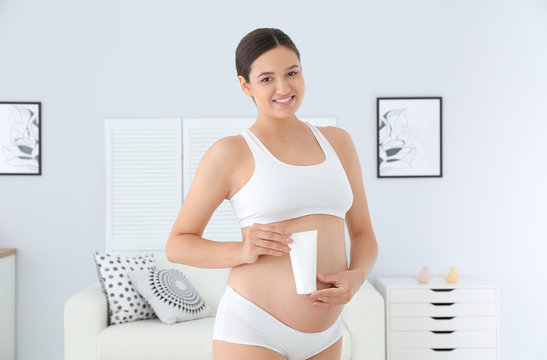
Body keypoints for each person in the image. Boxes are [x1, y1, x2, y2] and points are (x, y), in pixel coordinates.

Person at [166, 28, 378, 360]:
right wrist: (243, 249)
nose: (283, 88)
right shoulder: (231, 152)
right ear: (245, 85)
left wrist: (357, 276)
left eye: (292, 73)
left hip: (325, 335)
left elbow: (364, 234)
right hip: (255, 327)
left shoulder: (339, 143)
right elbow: (178, 244)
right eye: (267, 79)